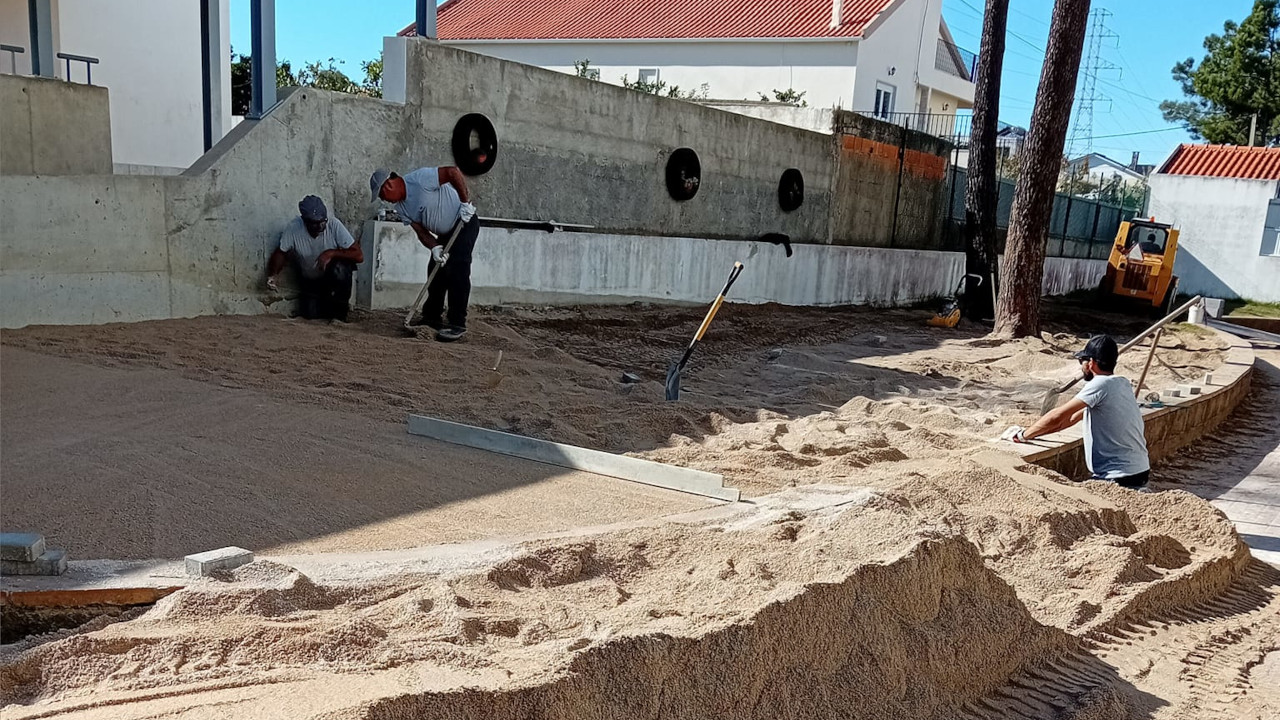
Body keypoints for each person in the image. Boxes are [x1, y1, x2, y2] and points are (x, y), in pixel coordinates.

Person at [1005, 335, 1151, 490]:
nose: (1081, 366)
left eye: (1082, 361)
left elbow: (1057, 416)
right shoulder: (1122, 383)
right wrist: (1033, 433)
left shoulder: (1100, 384)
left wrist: (1022, 435)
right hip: (1140, 470)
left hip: (1117, 476)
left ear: (1092, 363)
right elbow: (1069, 419)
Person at [370, 166, 478, 342]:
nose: (385, 201)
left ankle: (457, 323)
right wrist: (435, 247)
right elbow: (421, 232)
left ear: (388, 185)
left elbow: (453, 172)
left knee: (458, 269)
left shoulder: (420, 180)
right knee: (435, 270)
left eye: (382, 196)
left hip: (464, 222)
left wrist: (465, 202)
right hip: (444, 235)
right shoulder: (401, 208)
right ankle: (432, 318)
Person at [267, 196, 363, 321]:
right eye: (315, 223)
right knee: (311, 316)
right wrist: (273, 274)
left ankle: (340, 316)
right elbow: (281, 252)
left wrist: (331, 253)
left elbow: (359, 255)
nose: (320, 226)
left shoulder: (334, 225)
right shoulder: (294, 228)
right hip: (311, 282)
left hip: (331, 280)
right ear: (305, 221)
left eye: (322, 221)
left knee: (340, 269)